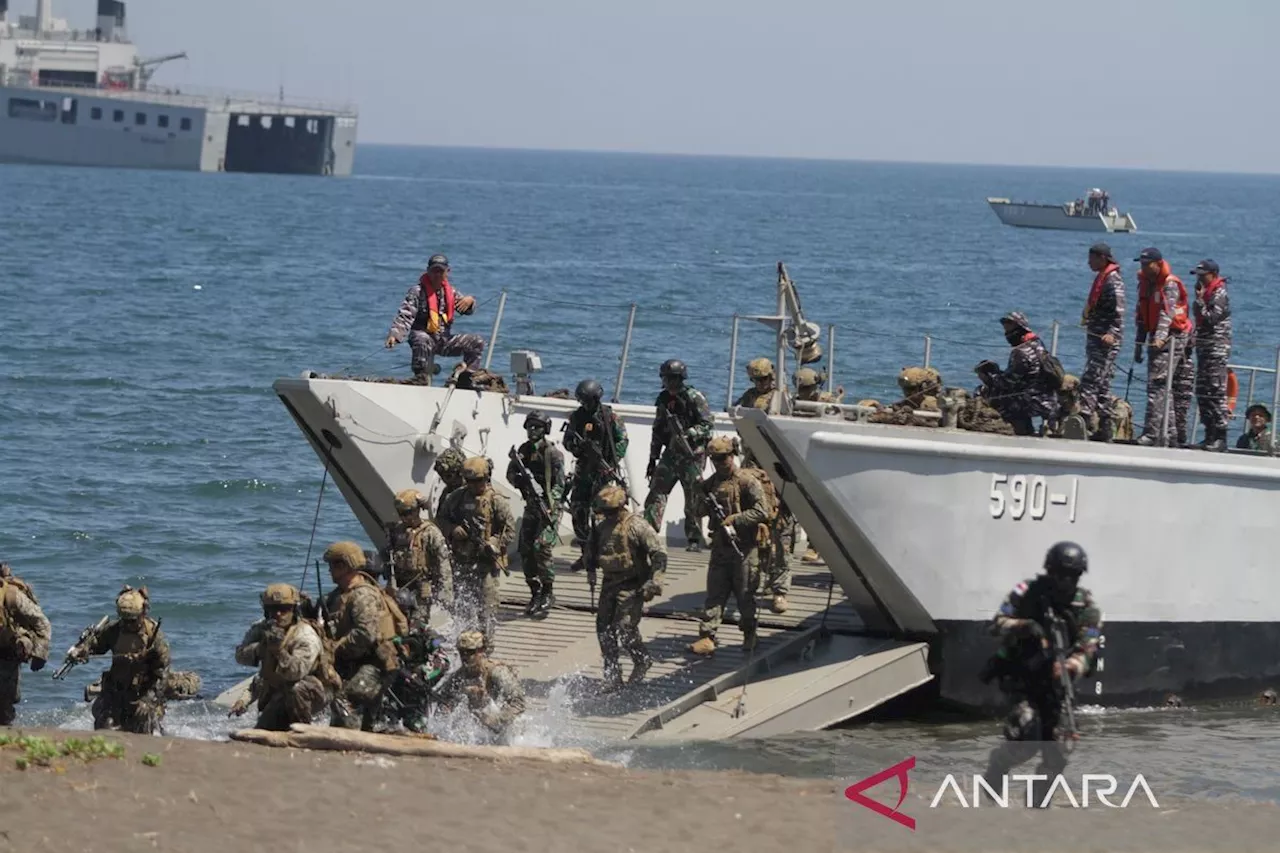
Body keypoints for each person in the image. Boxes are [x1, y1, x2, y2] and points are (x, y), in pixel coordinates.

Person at [980, 542, 1102, 808]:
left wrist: (1072, 664)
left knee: (1060, 748)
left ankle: (1037, 806)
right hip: (1022, 678)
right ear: (1050, 571)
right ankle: (998, 765)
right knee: (1027, 737)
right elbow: (996, 624)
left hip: (1058, 683)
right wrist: (1026, 626)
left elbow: (1089, 645)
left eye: (1072, 576)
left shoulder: (1085, 605)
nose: (1066, 582)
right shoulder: (1026, 592)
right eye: (1060, 575)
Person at [688, 436, 768, 656]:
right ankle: (707, 636)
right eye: (715, 459)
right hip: (720, 547)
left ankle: (750, 634)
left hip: (745, 547)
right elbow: (698, 512)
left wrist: (736, 519)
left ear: (732, 456)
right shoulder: (711, 483)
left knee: (745, 595)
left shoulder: (746, 481)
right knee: (715, 593)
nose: (719, 462)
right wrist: (700, 497)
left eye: (723, 458)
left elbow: (763, 511)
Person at [587, 484, 667, 690]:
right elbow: (593, 552)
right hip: (609, 583)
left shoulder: (636, 526)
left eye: (611, 512)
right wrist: (586, 564)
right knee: (603, 629)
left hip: (632, 585)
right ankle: (612, 674)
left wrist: (655, 580)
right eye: (605, 512)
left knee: (624, 628)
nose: (607, 516)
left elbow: (658, 554)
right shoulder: (601, 528)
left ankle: (641, 660)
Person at [232, 584, 340, 731]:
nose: (278, 614)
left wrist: (279, 652)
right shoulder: (261, 629)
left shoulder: (305, 635)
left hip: (315, 690)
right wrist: (260, 649)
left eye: (284, 609)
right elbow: (241, 657)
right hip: (280, 690)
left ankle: (302, 730)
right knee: (262, 731)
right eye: (273, 609)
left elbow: (296, 672)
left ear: (294, 610)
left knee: (297, 688)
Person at [322, 541, 405, 731]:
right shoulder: (340, 595)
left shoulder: (363, 596)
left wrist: (335, 648)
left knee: (344, 700)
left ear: (345, 565)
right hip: (361, 662)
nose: (330, 570)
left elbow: (365, 634)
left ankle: (346, 741)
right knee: (368, 719)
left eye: (334, 565)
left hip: (377, 664)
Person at [68, 586, 171, 734]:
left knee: (143, 727)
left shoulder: (154, 637)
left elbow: (162, 672)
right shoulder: (115, 630)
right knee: (105, 726)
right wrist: (82, 650)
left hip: (144, 692)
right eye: (125, 620)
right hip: (115, 690)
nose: (128, 624)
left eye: (132, 620)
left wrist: (149, 700)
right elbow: (97, 646)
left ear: (143, 614)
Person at [437, 457, 516, 643]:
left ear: (486, 478)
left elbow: (510, 530)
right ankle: (463, 646)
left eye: (478, 481)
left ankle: (485, 647)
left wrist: (494, 543)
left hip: (486, 564)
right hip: (462, 561)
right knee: (462, 607)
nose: (473, 486)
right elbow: (442, 519)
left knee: (486, 610)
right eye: (469, 481)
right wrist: (452, 530)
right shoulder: (456, 498)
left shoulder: (497, 501)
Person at [644, 359, 714, 551]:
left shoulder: (694, 397)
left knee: (692, 496)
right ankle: (648, 533)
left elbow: (707, 425)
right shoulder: (663, 399)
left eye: (673, 378)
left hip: (692, 454)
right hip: (671, 453)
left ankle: (693, 538)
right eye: (667, 378)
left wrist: (689, 434)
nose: (669, 382)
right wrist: (653, 457)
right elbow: (658, 429)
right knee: (657, 491)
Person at [384, 254, 484, 381]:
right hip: (423, 339)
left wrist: (470, 301)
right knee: (422, 338)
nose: (437, 275)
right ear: (428, 271)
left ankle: (466, 378)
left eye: (441, 271)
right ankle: (421, 377)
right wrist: (395, 334)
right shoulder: (417, 292)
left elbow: (466, 309)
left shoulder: (451, 293)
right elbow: (405, 315)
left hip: (444, 340)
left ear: (448, 272)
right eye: (434, 271)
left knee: (477, 341)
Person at [563, 378, 630, 569]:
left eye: (587, 401)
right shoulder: (577, 417)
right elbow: (567, 440)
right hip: (584, 471)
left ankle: (604, 553)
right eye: (582, 401)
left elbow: (622, 440)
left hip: (604, 472)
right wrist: (577, 446)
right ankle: (585, 553)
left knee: (603, 513)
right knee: (578, 511)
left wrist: (610, 460)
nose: (585, 405)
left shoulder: (610, 417)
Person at [505, 410, 565, 616]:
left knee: (542, 546)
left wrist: (550, 503)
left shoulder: (553, 454)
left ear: (545, 429)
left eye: (537, 427)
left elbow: (560, 485)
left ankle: (548, 591)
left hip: (549, 507)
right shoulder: (522, 451)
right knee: (525, 549)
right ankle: (535, 591)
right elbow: (510, 473)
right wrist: (520, 480)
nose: (533, 430)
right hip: (531, 506)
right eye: (530, 426)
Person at [1134, 248, 1194, 446]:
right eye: (1141, 263)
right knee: (1161, 387)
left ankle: (1151, 433)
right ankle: (1170, 434)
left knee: (1157, 384)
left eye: (1146, 263)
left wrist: (1160, 338)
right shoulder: (1145, 284)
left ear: (1158, 263)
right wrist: (1139, 344)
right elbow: (1142, 314)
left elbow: (1166, 313)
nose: (1143, 267)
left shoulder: (1169, 285)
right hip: (1155, 336)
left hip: (1173, 336)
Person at [974, 312, 1061, 436]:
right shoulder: (1039, 345)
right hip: (1049, 398)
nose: (1007, 334)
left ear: (1019, 329)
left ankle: (1015, 427)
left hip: (1032, 401)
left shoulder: (1021, 352)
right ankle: (1025, 426)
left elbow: (1006, 384)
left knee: (984, 391)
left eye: (1009, 330)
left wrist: (988, 377)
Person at [433, 630, 526, 738]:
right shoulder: (458, 676)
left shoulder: (497, 672)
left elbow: (518, 702)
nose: (465, 657)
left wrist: (497, 719)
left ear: (481, 651)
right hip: (477, 730)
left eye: (470, 652)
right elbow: (444, 702)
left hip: (506, 729)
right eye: (462, 652)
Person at [383, 488, 454, 621]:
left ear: (417, 511)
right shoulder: (396, 531)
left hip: (421, 587)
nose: (404, 517)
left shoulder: (430, 533)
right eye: (401, 513)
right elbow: (388, 556)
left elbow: (443, 563)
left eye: (408, 513)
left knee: (418, 624)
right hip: (399, 585)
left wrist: (446, 592)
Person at [1080, 243, 1126, 441]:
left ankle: (1082, 419)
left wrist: (1112, 333)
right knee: (1103, 385)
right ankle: (1105, 428)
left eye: (1091, 258)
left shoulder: (1113, 281)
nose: (1088, 262)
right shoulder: (1103, 278)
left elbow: (1119, 311)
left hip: (1104, 341)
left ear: (1101, 258)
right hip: (1096, 337)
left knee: (1091, 379)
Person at [0, 562, 51, 726]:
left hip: (8, 649)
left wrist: (40, 653)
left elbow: (42, 622)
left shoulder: (12, 596)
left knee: (4, 704)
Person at [1191, 260, 1232, 451]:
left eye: (1203, 275)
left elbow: (1211, 319)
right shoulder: (1206, 294)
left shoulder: (1219, 293)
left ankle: (1220, 436)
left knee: (1215, 391)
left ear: (1213, 274)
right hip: (1204, 348)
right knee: (1202, 391)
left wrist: (1199, 301)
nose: (1199, 279)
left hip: (1216, 348)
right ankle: (1209, 433)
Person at [433, 447, 467, 519]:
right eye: (441, 475)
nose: (444, 480)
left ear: (460, 473)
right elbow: (440, 519)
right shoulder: (447, 492)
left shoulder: (472, 492)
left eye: (448, 476)